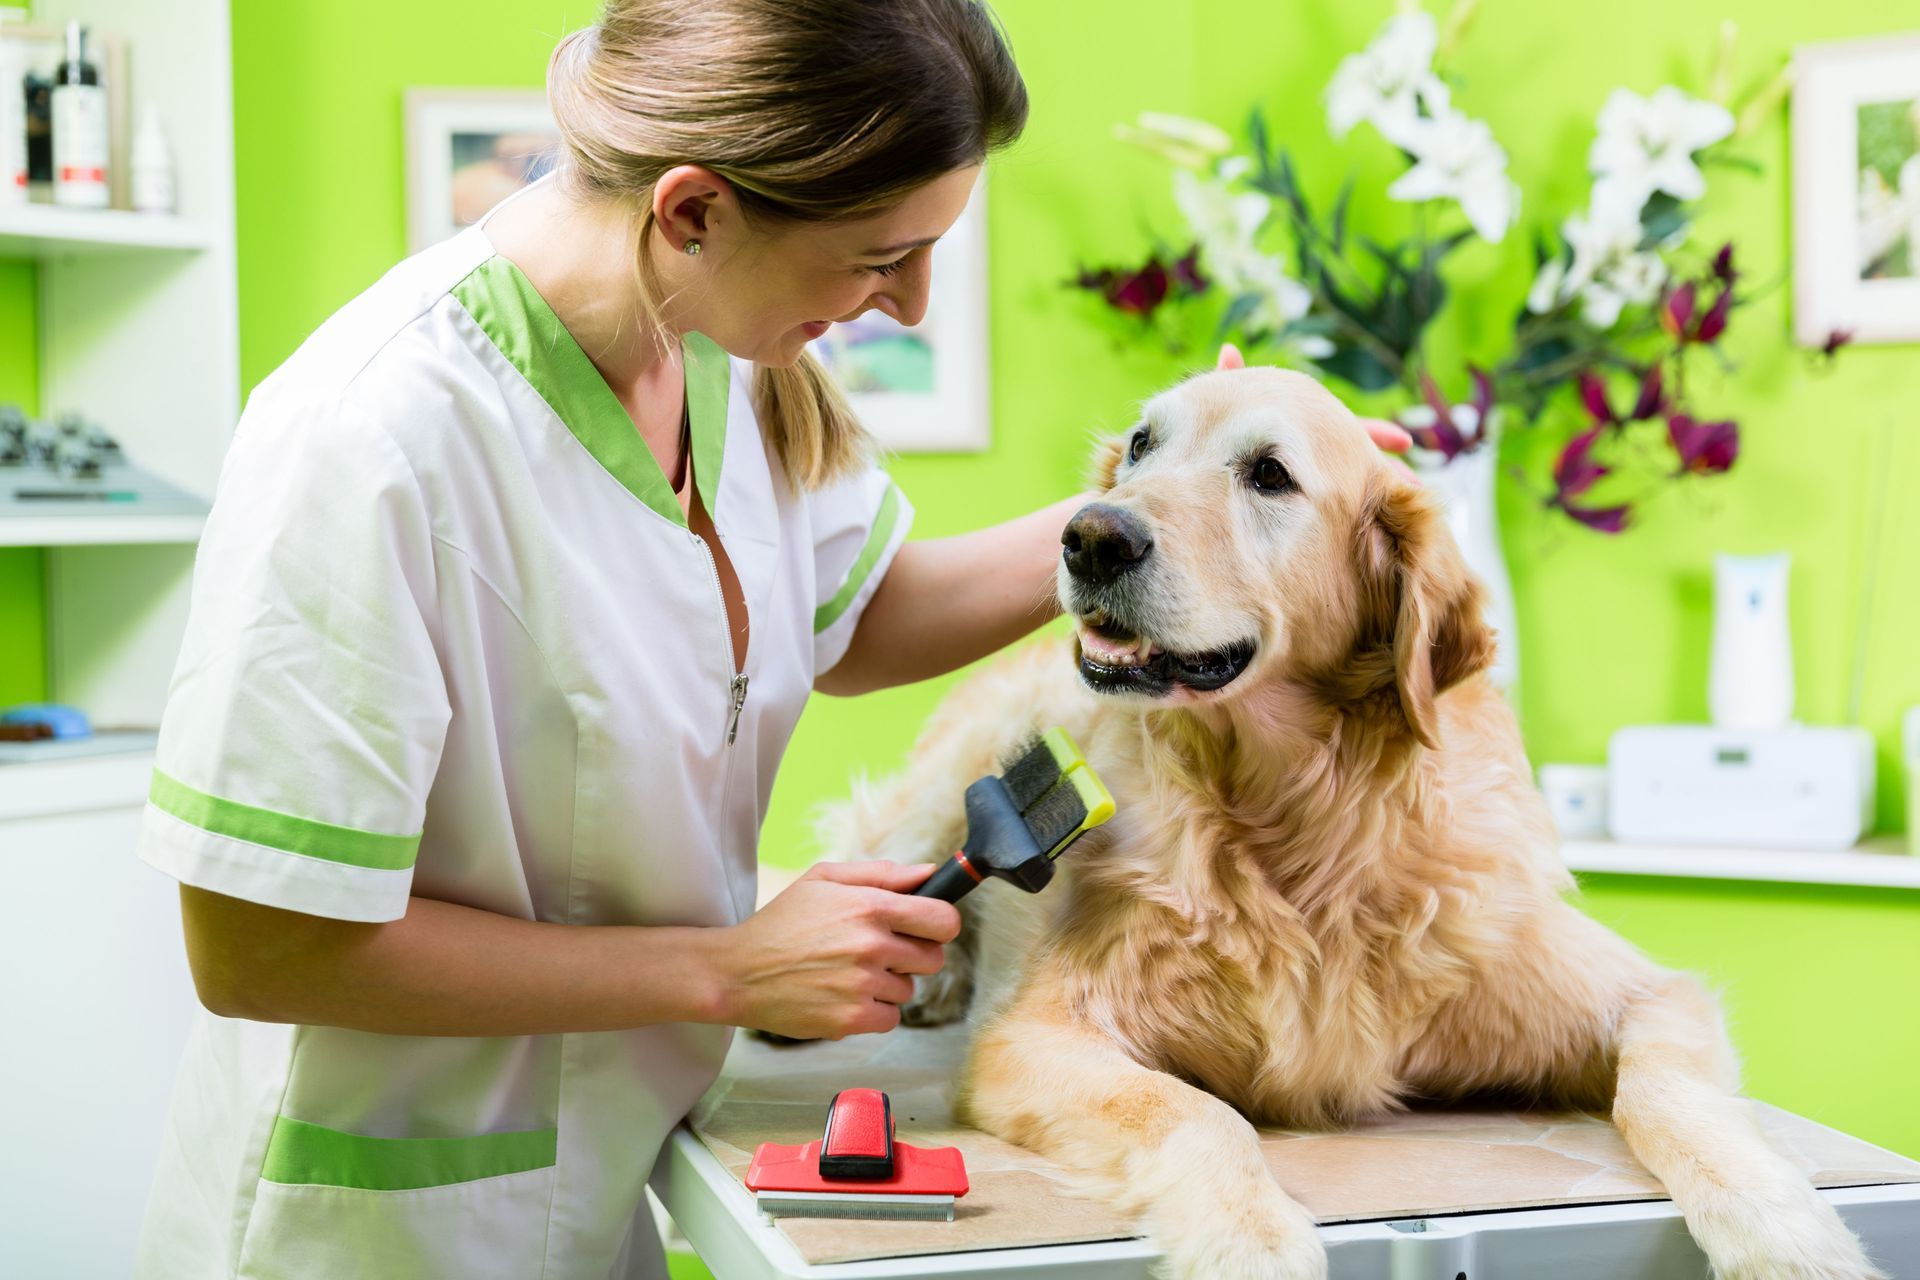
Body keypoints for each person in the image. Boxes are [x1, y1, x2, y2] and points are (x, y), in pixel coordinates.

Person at [132, 3, 1406, 1276]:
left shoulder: (721, 356)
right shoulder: (370, 441)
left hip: (612, 1179)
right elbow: (259, 943)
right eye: (880, 255)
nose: (906, 305)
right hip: (374, 1219)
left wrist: (1164, 516)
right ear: (693, 210)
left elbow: (857, 618)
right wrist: (726, 969)